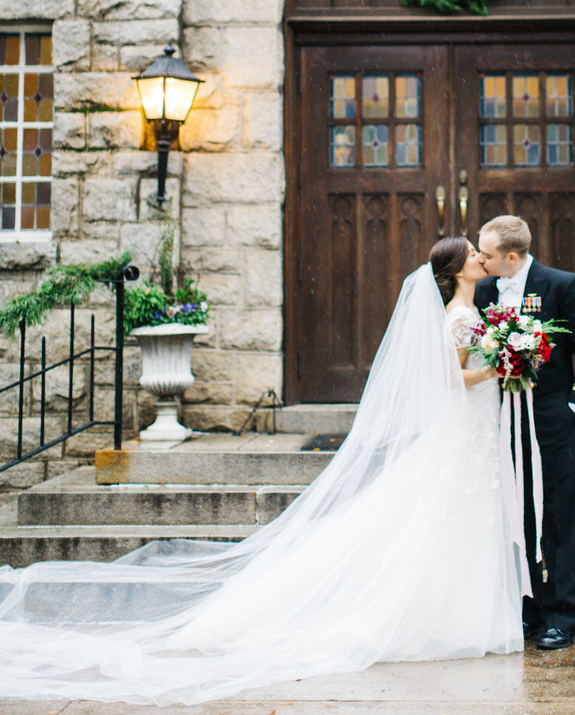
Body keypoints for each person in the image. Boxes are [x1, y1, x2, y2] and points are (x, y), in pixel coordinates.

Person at [0, 239, 524, 704]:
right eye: (474, 254)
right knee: (440, 515)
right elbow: (451, 378)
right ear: (457, 269)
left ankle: (459, 616)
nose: (481, 257)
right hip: (462, 427)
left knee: (455, 519)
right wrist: (500, 367)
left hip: (471, 432)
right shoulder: (457, 316)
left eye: (483, 252)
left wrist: (503, 361)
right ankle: (434, 619)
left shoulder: (471, 310)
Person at [476, 215, 575, 652]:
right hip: (502, 421)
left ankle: (564, 615)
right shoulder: (483, 290)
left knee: (558, 516)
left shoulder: (562, 285)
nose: (480, 259)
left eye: (487, 254)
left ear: (512, 257)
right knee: (519, 515)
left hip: (551, 419)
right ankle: (529, 609)